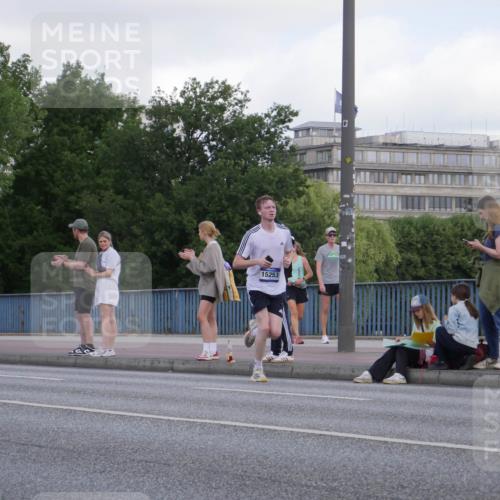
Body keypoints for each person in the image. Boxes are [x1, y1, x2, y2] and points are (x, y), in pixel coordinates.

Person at [233, 195, 293, 382]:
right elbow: (236, 262)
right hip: (257, 286)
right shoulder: (252, 234)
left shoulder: (284, 232)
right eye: (267, 207)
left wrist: (288, 259)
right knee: (266, 327)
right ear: (259, 211)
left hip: (278, 286)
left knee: (275, 332)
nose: (271, 210)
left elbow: (290, 251)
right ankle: (257, 369)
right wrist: (257, 261)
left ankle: (254, 329)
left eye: (273, 207)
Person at [353, 294, 441, 384]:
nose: (415, 313)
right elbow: (414, 339)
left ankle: (399, 375)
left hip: (425, 358)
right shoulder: (417, 324)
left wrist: (426, 341)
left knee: (401, 348)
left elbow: (438, 346)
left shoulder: (436, 324)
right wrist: (404, 339)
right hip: (416, 353)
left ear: (426, 309)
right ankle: (371, 374)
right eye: (413, 311)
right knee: (396, 348)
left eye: (417, 310)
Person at [179, 221, 226, 361]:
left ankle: (207, 351)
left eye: (199, 231)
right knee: (211, 318)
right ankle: (213, 350)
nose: (198, 233)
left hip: (209, 287)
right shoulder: (213, 246)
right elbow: (204, 267)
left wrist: (192, 258)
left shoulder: (211, 247)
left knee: (202, 316)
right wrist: (193, 257)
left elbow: (206, 268)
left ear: (204, 231)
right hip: (212, 286)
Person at [52, 218, 98, 355]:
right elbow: (80, 262)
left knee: (85, 315)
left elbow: (81, 265)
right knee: (80, 315)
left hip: (86, 284)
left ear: (76, 230)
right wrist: (66, 260)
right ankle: (84, 345)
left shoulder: (87, 244)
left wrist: (63, 263)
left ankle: (89, 346)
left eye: (73, 229)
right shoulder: (84, 244)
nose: (72, 231)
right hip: (81, 285)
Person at [466, 196, 500, 369]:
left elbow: (499, 253)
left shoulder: (498, 228)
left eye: (481, 213)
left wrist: (481, 247)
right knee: (487, 318)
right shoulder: (492, 228)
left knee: (496, 316)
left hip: (496, 280)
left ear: (489, 210)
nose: (480, 217)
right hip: (489, 279)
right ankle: (494, 357)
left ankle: (497, 357)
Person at [84, 231, 121, 357]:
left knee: (106, 318)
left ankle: (107, 348)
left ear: (110, 241)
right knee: (109, 318)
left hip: (108, 287)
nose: (102, 243)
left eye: (105, 241)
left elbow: (109, 273)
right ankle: (108, 348)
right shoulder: (102, 254)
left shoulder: (112, 254)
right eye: (100, 241)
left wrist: (93, 274)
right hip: (105, 287)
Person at [428, 283, 478, 370]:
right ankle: (465, 360)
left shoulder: (454, 308)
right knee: (454, 363)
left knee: (439, 330)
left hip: (461, 344)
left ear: (454, 296)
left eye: (451, 295)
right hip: (473, 347)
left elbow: (451, 330)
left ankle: (442, 362)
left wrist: (446, 320)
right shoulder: (472, 309)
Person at [315, 226, 339, 344]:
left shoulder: (340, 248)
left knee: (344, 307)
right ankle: (324, 335)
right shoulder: (322, 249)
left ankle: (343, 333)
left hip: (339, 282)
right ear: (326, 236)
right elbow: (318, 268)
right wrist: (321, 283)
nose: (332, 237)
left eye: (334, 235)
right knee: (325, 309)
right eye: (330, 235)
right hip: (326, 282)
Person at [287, 240, 313, 344]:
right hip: (289, 288)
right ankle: (297, 337)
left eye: (293, 246)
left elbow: (310, 273)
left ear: (297, 248)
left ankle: (288, 332)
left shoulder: (302, 259)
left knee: (300, 316)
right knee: (293, 312)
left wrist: (302, 279)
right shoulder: (285, 260)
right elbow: (280, 274)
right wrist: (287, 281)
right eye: (290, 246)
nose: (292, 248)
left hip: (301, 287)